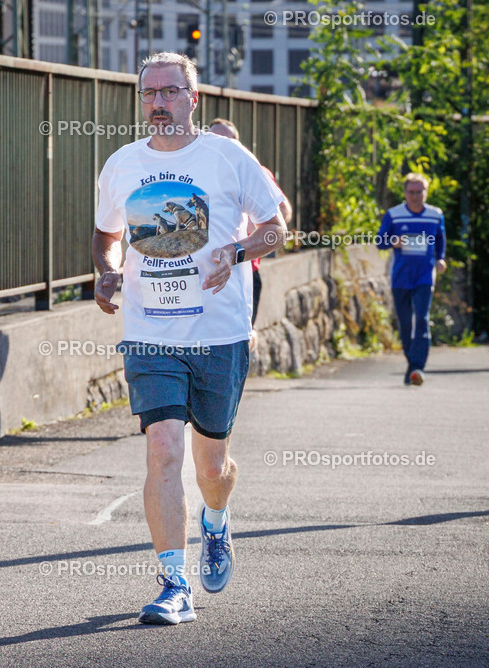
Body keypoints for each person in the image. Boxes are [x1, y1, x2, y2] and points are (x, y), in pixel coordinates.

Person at [92, 52, 287, 625]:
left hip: (220, 332)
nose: (158, 104)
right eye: (148, 94)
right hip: (150, 331)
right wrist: (105, 271)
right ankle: (174, 582)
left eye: (170, 92)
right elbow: (107, 237)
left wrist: (238, 251)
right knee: (163, 449)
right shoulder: (121, 165)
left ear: (192, 97)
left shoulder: (227, 158)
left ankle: (217, 521)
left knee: (211, 467)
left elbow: (278, 226)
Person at [209, 118, 293, 352]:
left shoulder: (251, 169)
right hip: (206, 272)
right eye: (217, 139)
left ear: (238, 144)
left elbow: (283, 211)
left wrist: (253, 231)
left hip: (243, 270)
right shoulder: (198, 170)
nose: (223, 145)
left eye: (228, 140)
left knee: (240, 339)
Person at [376, 173, 446, 386]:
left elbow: (441, 240)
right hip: (400, 277)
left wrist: (441, 259)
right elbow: (380, 241)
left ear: (426, 192)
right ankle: (412, 366)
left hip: (425, 275)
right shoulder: (394, 214)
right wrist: (394, 241)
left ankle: (417, 367)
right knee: (406, 324)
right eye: (411, 192)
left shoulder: (435, 215)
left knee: (422, 319)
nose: (415, 196)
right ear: (405, 193)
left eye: (419, 192)